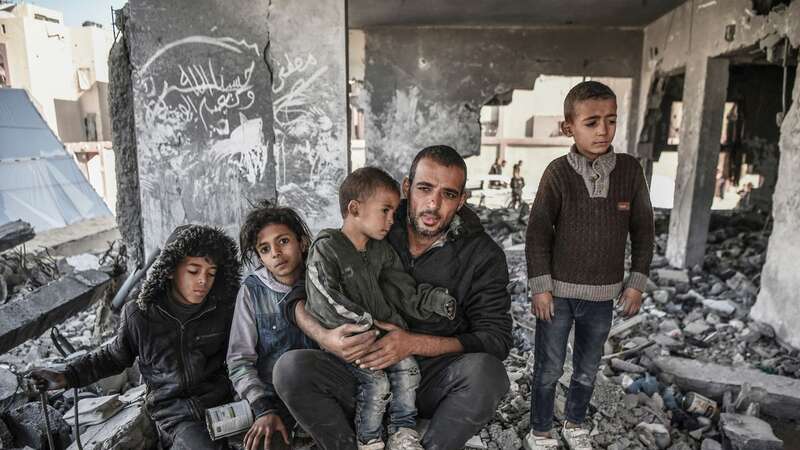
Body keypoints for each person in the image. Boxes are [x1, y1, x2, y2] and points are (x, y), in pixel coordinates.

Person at [274, 145, 513, 450]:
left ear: (461, 200)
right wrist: (327, 336)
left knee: (488, 375)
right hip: (361, 368)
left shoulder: (482, 255)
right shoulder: (378, 219)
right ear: (406, 188)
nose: (433, 204)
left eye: (448, 194)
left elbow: (495, 338)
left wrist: (412, 343)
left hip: (429, 378)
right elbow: (299, 295)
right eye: (424, 188)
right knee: (291, 369)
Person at [524, 81, 655, 450]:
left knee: (587, 367)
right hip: (557, 296)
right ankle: (540, 430)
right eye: (592, 122)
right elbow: (536, 232)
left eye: (610, 121)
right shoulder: (557, 173)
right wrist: (541, 286)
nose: (603, 130)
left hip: (602, 298)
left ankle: (575, 423)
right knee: (548, 368)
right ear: (569, 128)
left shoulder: (630, 171)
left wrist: (636, 283)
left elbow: (644, 231)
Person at [30, 225, 242, 450]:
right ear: (170, 270)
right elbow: (112, 356)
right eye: (193, 271)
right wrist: (67, 375)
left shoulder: (223, 309)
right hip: (177, 417)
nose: (203, 280)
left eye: (210, 273)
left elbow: (243, 355)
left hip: (224, 405)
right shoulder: (140, 315)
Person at [303, 167, 456, 450]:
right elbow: (324, 298)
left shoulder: (381, 251)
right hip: (349, 342)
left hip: (381, 338)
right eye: (385, 210)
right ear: (354, 209)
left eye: (394, 212)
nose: (391, 220)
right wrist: (368, 325)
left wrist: (435, 301)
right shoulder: (327, 247)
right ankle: (370, 439)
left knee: (408, 369)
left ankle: (402, 430)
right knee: (377, 384)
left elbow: (403, 289)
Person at [227, 201, 316, 450]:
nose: (275, 253)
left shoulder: (321, 278)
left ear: (302, 242)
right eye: (265, 249)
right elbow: (239, 361)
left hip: (317, 396)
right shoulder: (252, 291)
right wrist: (263, 408)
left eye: (283, 241)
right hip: (269, 399)